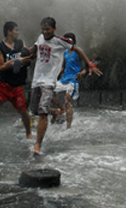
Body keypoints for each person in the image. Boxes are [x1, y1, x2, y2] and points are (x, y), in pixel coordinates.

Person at [29, 17, 95, 155]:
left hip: (63, 81)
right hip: (45, 80)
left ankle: (40, 143)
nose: (45, 32)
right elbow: (56, 61)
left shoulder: (62, 43)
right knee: (35, 110)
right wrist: (22, 56)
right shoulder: (43, 40)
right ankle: (57, 111)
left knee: (59, 103)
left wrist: (87, 67)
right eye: (43, 29)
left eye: (48, 29)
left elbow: (79, 53)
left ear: (54, 29)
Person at [49, 32, 102, 129]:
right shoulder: (64, 53)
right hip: (64, 79)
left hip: (73, 80)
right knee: (48, 92)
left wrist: (83, 72)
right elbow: (64, 66)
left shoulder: (78, 51)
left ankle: (68, 127)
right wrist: (55, 74)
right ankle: (61, 109)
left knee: (67, 100)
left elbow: (88, 63)